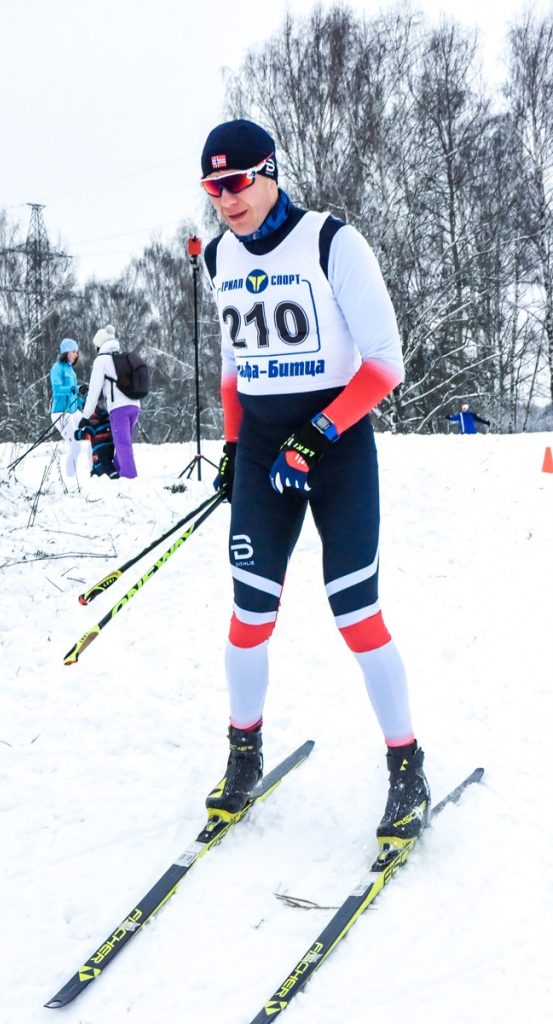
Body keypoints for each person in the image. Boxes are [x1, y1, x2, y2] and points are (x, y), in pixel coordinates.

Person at [200, 118, 429, 853]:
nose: (225, 201)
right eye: (212, 188)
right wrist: (236, 447)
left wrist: (319, 433)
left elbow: (385, 364)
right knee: (248, 613)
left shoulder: (333, 242)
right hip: (266, 445)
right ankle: (243, 753)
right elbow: (236, 367)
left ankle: (406, 766)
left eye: (235, 183)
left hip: (335, 445)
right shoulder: (217, 257)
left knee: (355, 610)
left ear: (269, 172)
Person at [82, 325, 140, 479]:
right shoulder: (122, 358)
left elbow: (93, 393)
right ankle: (116, 474)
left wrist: (85, 416)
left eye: (95, 346)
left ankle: (129, 478)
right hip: (135, 405)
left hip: (119, 408)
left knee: (122, 445)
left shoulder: (102, 360)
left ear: (100, 345)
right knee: (124, 443)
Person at [49, 338, 91, 478]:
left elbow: (73, 395)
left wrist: (82, 403)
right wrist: (76, 388)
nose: (76, 355)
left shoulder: (70, 370)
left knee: (93, 432)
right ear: (66, 351)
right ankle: (70, 480)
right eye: (73, 351)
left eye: (77, 352)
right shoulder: (57, 368)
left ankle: (96, 472)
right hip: (60, 413)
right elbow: (57, 390)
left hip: (73, 412)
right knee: (76, 445)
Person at [75, 405, 119, 479]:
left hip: (99, 452)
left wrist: (77, 433)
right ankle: (95, 474)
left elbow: (85, 435)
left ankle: (114, 476)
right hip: (110, 449)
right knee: (105, 463)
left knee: (101, 465)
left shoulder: (92, 427)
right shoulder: (108, 423)